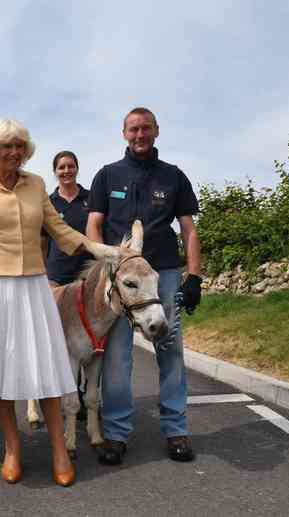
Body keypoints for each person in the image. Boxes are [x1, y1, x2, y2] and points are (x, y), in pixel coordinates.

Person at [0, 119, 117, 486]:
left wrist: (97, 248)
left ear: (27, 150)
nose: (14, 152)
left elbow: (58, 228)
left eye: (20, 145)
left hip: (32, 285)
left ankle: (59, 448)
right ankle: (12, 447)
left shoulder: (37, 184)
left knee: (47, 368)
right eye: (7, 145)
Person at [86, 107, 202, 465]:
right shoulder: (107, 176)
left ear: (156, 131)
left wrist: (194, 275)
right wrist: (105, 263)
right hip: (120, 278)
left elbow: (189, 229)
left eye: (146, 128)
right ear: (124, 133)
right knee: (118, 357)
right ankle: (117, 433)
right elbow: (93, 226)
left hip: (162, 274)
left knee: (170, 350)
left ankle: (176, 429)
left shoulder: (174, 177)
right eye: (133, 129)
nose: (140, 135)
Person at [44, 151, 92, 288]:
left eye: (71, 166)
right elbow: (42, 242)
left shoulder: (92, 198)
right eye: (61, 167)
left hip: (87, 272)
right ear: (55, 171)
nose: (67, 171)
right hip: (56, 275)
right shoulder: (47, 203)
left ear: (77, 169)